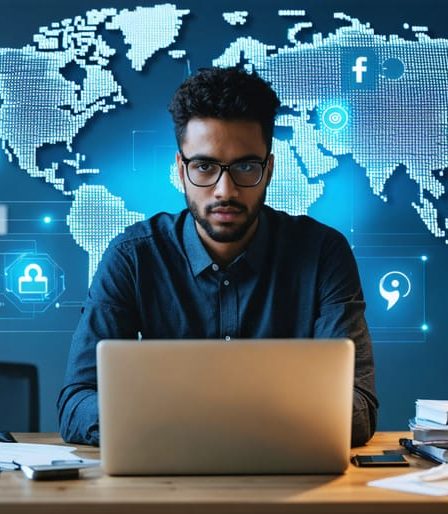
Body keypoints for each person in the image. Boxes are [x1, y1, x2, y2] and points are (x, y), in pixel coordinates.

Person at [57, 66, 378, 447]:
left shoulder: (324, 253)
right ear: (181, 169)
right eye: (205, 166)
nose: (224, 190)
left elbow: (358, 406)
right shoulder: (132, 257)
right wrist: (222, 423)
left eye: (245, 166)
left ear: (269, 169)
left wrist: (193, 422)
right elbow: (77, 404)